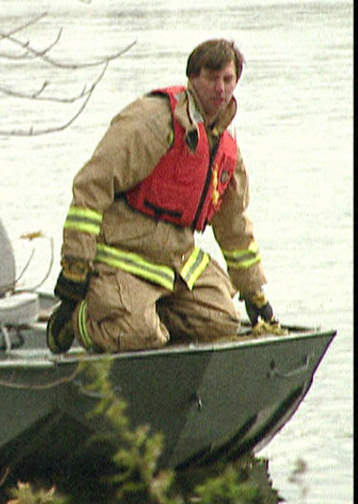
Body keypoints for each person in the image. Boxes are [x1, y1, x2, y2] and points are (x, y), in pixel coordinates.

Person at [47, 38, 283, 355]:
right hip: (122, 253)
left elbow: (234, 227)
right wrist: (76, 267)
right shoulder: (153, 122)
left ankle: (144, 315)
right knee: (134, 335)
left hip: (176, 260)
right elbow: (93, 185)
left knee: (222, 323)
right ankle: (82, 319)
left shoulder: (225, 150)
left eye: (228, 80)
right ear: (192, 78)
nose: (220, 89)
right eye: (212, 79)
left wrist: (254, 294)